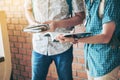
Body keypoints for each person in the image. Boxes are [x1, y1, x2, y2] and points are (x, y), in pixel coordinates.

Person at [56, 0, 120, 80]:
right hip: (91, 60)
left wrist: (76, 39)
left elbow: (105, 37)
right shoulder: (89, 2)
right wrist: (73, 37)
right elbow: (92, 30)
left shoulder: (111, 2)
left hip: (106, 62)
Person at [24, 0, 85, 80]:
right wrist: (33, 23)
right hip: (39, 45)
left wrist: (57, 24)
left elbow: (80, 17)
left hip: (63, 46)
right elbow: (27, 9)